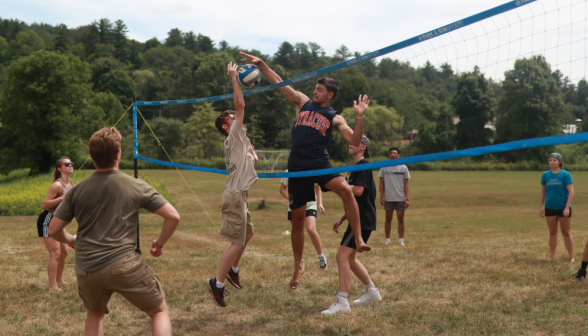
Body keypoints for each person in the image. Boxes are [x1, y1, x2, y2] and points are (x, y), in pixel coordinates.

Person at [240, 51, 371, 290]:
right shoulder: (303, 103)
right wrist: (262, 64)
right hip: (297, 168)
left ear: (330, 94)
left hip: (319, 164)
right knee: (298, 221)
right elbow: (281, 84)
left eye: (319, 90)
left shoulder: (335, 118)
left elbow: (354, 138)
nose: (315, 91)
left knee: (346, 190)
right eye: (315, 88)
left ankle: (359, 239)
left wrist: (360, 117)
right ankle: (298, 265)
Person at [48, 127, 181, 336]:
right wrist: (160, 243)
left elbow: (53, 229)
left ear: (92, 157)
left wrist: (71, 239)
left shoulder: (76, 190)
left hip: (86, 268)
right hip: (123, 264)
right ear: (118, 154)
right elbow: (173, 216)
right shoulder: (135, 185)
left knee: (94, 314)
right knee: (159, 310)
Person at [206, 61, 259, 308]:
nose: (235, 116)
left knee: (248, 234)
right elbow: (240, 104)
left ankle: (233, 269)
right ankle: (216, 284)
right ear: (227, 126)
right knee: (236, 241)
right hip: (235, 195)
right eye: (231, 117)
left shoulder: (240, 139)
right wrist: (234, 78)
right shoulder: (234, 133)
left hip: (241, 194)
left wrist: (252, 153)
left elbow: (252, 160)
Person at [322, 135, 381, 315]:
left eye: (354, 141)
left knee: (342, 256)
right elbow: (354, 200)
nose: (350, 143)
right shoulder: (356, 167)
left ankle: (342, 300)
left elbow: (358, 190)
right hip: (361, 218)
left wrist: (337, 185)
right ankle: (372, 292)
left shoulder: (363, 164)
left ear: (363, 146)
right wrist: (342, 217)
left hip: (362, 221)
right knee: (350, 258)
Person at [39, 156, 75, 290]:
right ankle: (52, 286)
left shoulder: (71, 184)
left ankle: (59, 280)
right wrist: (62, 198)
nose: (70, 165)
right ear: (59, 168)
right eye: (66, 164)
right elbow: (45, 204)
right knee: (56, 253)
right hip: (47, 220)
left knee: (64, 252)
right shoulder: (57, 185)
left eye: (71, 163)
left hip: (58, 222)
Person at [280, 176, 327, 270]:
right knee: (296, 232)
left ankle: (321, 256)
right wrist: (292, 198)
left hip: (310, 204)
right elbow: (282, 189)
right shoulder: (289, 171)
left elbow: (318, 188)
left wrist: (320, 204)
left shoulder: (309, 169)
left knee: (311, 229)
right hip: (295, 206)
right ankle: (299, 261)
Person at [537, 152, 574, 263]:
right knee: (552, 232)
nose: (552, 162)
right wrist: (541, 206)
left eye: (554, 160)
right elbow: (543, 191)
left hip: (563, 208)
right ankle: (552, 256)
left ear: (560, 162)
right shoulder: (545, 175)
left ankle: (571, 257)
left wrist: (567, 208)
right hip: (550, 207)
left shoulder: (565, 175)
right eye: (550, 160)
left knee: (566, 232)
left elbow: (571, 192)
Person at [378, 147, 410, 246]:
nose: (392, 154)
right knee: (388, 219)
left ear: (398, 155)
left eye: (395, 153)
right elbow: (381, 182)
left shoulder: (403, 167)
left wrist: (407, 198)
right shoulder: (384, 166)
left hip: (400, 197)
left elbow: (406, 184)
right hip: (388, 197)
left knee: (401, 219)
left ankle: (401, 241)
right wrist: (382, 197)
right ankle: (387, 240)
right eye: (391, 153)